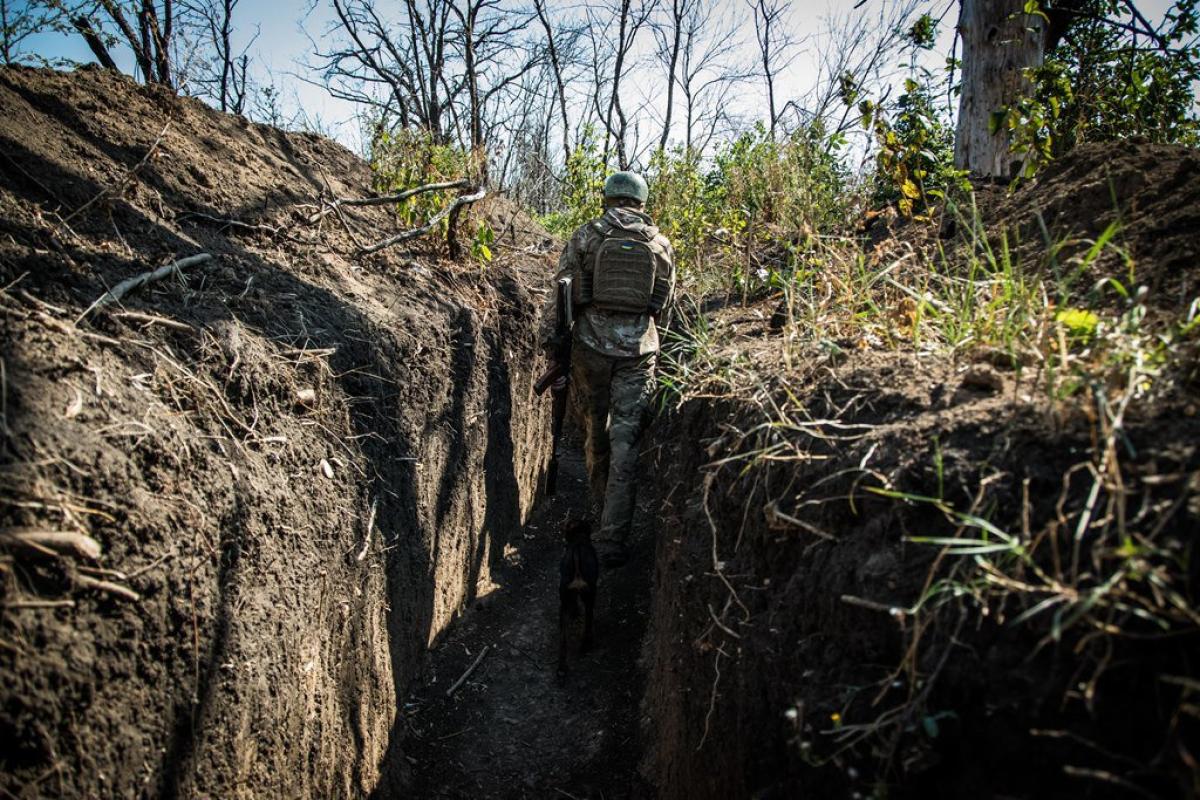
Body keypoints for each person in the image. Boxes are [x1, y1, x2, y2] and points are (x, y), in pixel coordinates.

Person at [539, 171, 676, 567]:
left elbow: (561, 298)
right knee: (626, 441)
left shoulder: (586, 236)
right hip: (639, 352)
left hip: (591, 348)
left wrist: (555, 348)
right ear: (641, 202)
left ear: (608, 198)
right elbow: (661, 307)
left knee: (596, 430)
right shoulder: (661, 244)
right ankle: (613, 539)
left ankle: (600, 511)